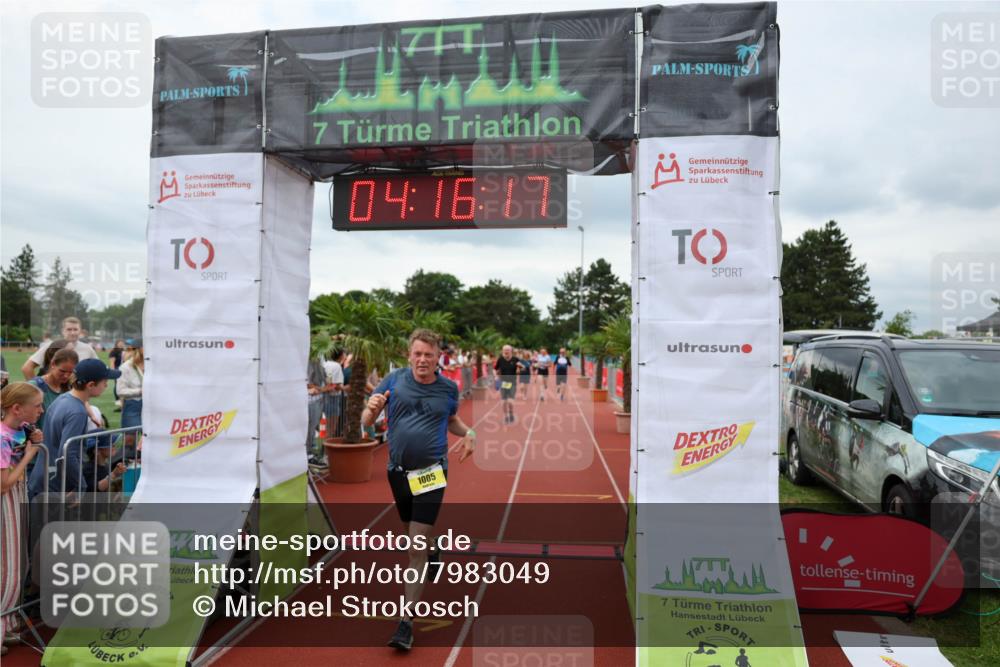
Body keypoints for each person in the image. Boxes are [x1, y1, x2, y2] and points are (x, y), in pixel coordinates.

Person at [361, 329, 475, 652]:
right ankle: (434, 548)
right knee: (413, 535)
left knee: (414, 548)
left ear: (438, 357)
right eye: (417, 354)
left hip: (431, 473)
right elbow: (367, 420)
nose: (422, 359)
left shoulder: (448, 388)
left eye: (428, 354)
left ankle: (406, 623)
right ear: (409, 355)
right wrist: (371, 409)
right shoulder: (394, 380)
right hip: (397, 473)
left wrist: (470, 433)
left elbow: (450, 420)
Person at [28, 358, 119, 498]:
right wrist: (80, 486)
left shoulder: (63, 398)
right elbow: (68, 452)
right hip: (54, 484)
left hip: (43, 476)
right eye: (104, 381)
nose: (106, 385)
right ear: (91, 385)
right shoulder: (77, 411)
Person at [1, 383, 44, 650]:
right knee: (9, 569)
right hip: (6, 502)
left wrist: (32, 439)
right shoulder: (2, 437)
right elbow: (3, 484)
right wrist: (30, 454)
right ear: (17, 408)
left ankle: (8, 623)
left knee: (19, 564)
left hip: (16, 499)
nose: (41, 410)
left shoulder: (18, 430)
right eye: (36, 405)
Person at [20, 317, 97, 379]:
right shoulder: (51, 346)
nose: (72, 333)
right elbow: (27, 368)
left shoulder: (87, 349)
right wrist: (36, 388)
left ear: (80, 331)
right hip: (53, 391)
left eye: (75, 329)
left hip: (75, 392)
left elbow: (98, 369)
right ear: (63, 331)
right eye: (69, 329)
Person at [29, 347, 78, 430]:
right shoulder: (35, 386)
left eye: (70, 372)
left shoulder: (70, 388)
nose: (66, 376)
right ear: (53, 364)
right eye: (62, 371)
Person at [117, 341, 144, 444]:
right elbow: (120, 391)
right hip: (133, 405)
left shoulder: (154, 365)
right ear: (139, 349)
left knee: (151, 439)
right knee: (130, 440)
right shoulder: (126, 367)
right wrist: (140, 391)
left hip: (152, 406)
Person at [306, 353, 328, 468]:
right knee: (310, 428)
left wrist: (323, 389)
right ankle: (308, 455)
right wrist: (323, 389)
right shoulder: (309, 362)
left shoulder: (319, 360)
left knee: (312, 427)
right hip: (311, 401)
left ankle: (309, 454)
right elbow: (308, 384)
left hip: (318, 399)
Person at [494, 345, 520, 424]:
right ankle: (506, 416)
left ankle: (511, 413)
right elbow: (495, 369)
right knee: (504, 401)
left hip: (512, 383)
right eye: (504, 350)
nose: (506, 351)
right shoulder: (500, 359)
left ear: (511, 351)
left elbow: (522, 367)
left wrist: (519, 369)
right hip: (503, 383)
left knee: (510, 401)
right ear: (502, 351)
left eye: (508, 350)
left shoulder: (515, 359)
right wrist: (496, 376)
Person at [322, 350, 346, 438]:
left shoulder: (325, 364)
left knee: (324, 428)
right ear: (341, 355)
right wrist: (348, 388)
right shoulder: (337, 366)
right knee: (331, 429)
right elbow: (337, 386)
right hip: (333, 398)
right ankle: (327, 446)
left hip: (322, 396)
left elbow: (329, 381)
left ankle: (323, 445)